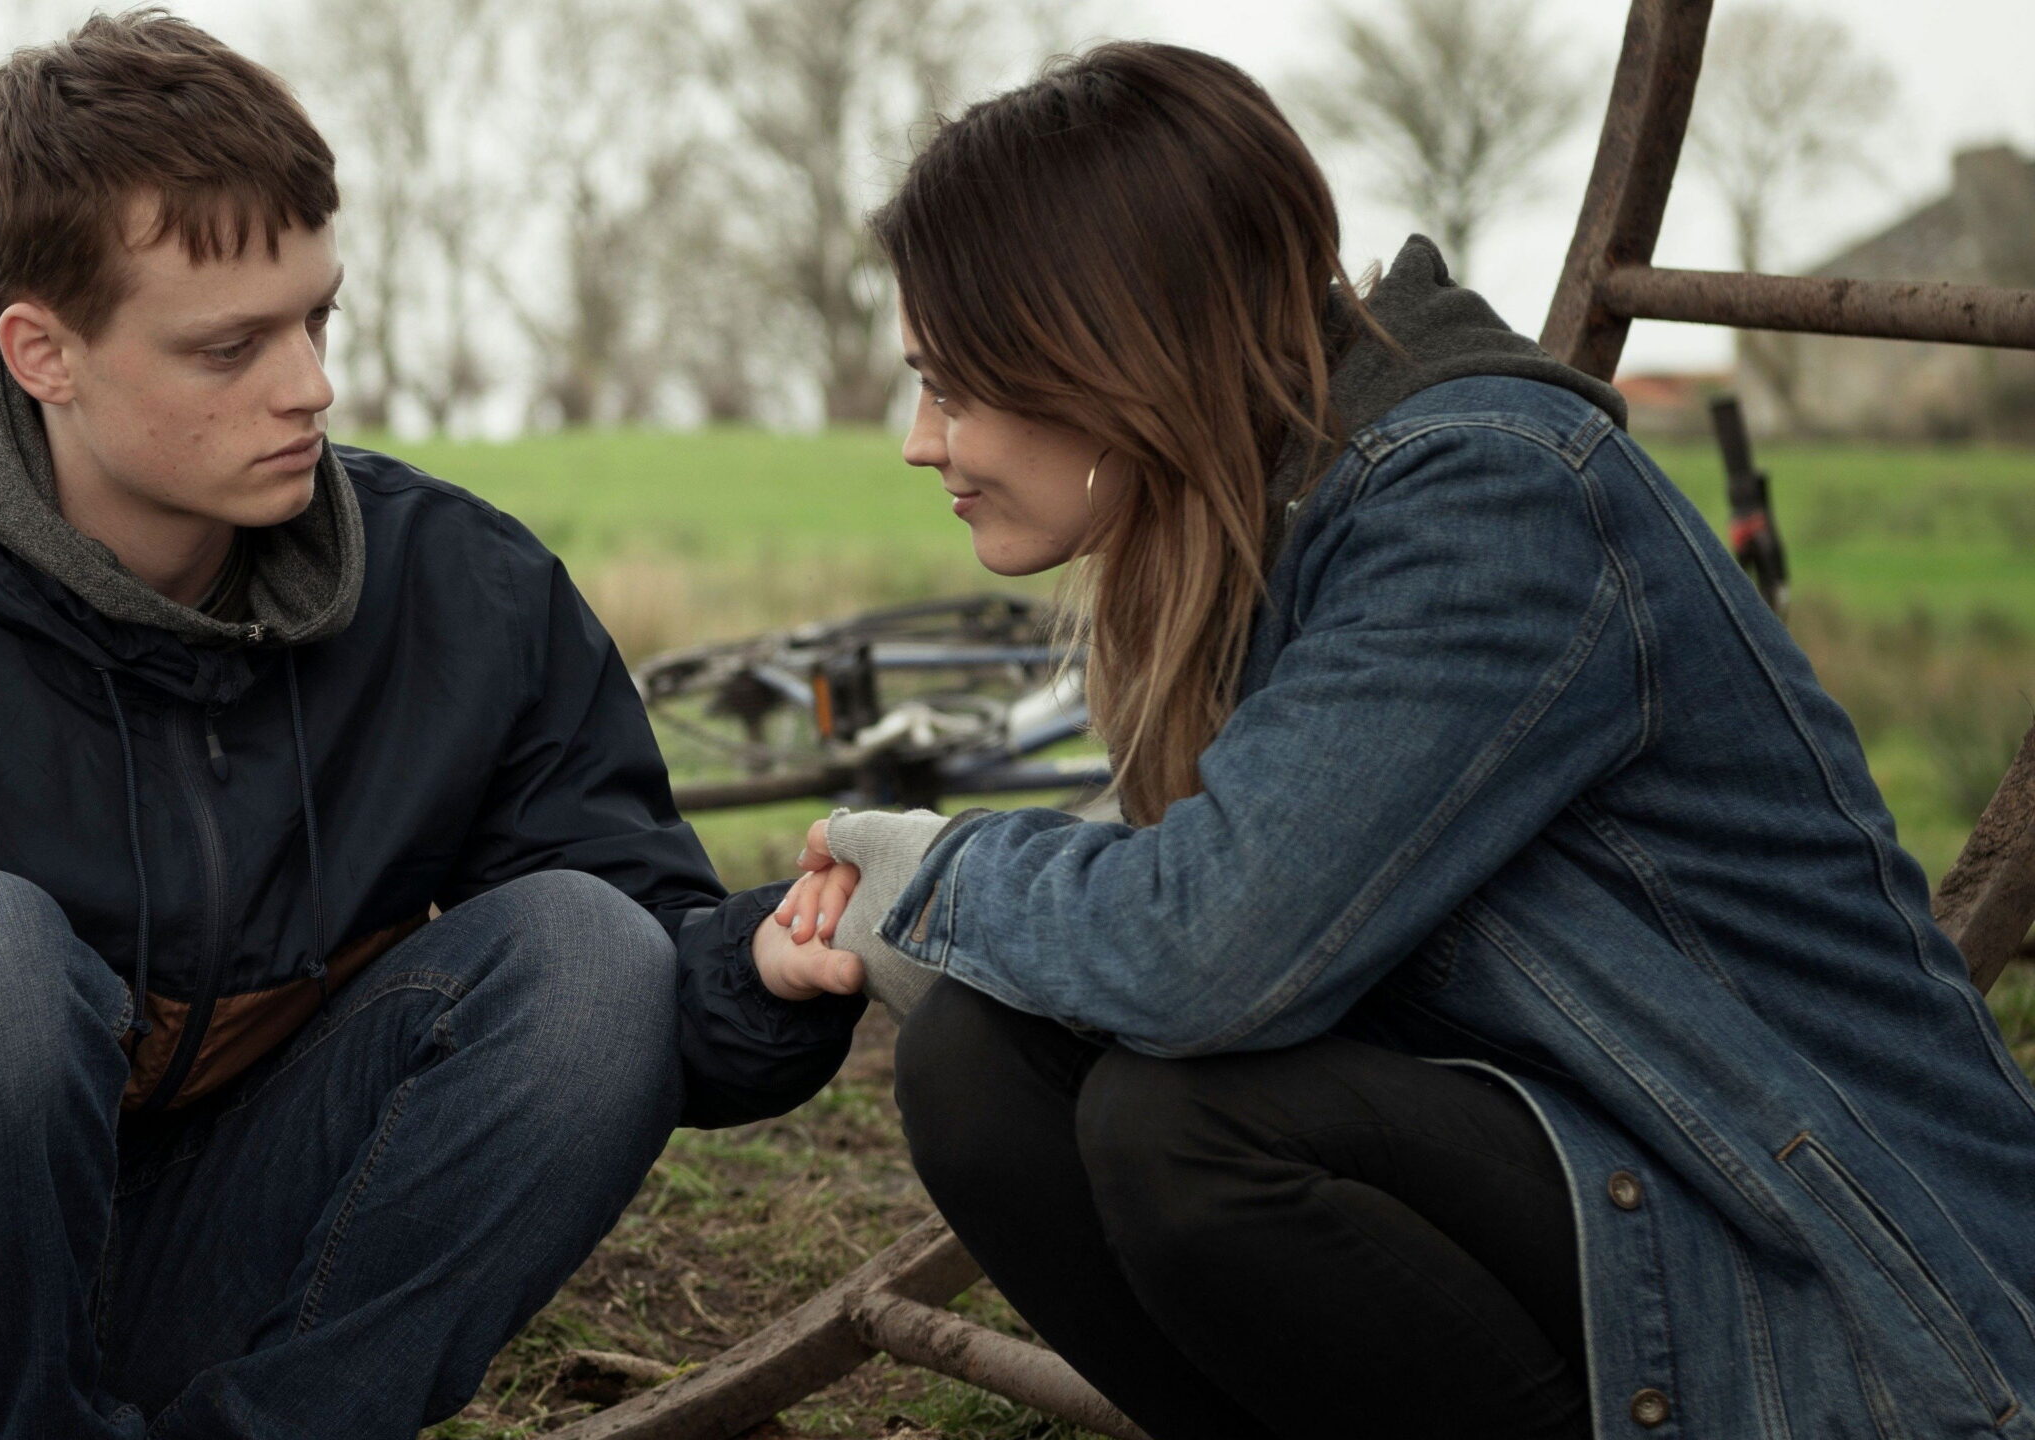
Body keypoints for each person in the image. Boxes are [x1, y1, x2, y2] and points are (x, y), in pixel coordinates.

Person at [0, 12, 870, 1439]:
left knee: (594, 951)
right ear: (43, 352)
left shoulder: (464, 593)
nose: (309, 386)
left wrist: (753, 977)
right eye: (231, 347)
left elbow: (623, 983)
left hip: (210, 1265)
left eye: (317, 318)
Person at [769, 40, 2035, 1440]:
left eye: (952, 385)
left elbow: (1205, 948)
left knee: (1183, 1132)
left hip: (1860, 1299)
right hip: (1614, 1175)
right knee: (981, 1068)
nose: (919, 441)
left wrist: (933, 878)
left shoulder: (1484, 501)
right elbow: (1201, 894)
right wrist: (869, 916)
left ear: (1103, 345)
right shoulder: (1262, 524)